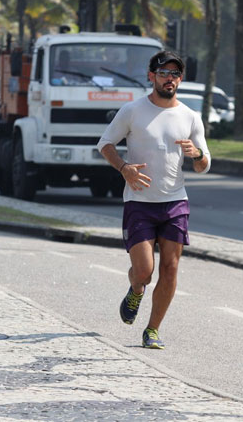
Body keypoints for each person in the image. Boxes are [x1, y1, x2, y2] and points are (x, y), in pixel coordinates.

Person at [97, 51, 210, 349]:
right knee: (144, 271)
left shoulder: (189, 116)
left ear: (180, 80)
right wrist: (124, 168)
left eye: (175, 74)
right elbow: (105, 144)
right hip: (139, 202)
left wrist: (197, 155)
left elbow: (204, 162)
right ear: (151, 76)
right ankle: (136, 289)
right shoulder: (132, 111)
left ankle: (152, 330)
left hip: (175, 202)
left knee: (170, 268)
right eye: (163, 73)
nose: (169, 79)